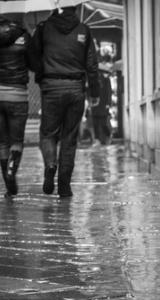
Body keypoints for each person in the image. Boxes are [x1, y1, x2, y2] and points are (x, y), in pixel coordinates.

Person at [30, 6, 100, 197]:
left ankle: (51, 164)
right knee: (69, 139)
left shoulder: (44, 28)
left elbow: (32, 55)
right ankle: (64, 186)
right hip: (76, 88)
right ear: (76, 7)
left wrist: (41, 74)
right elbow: (92, 64)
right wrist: (95, 91)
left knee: (47, 134)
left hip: (51, 87)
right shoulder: (83, 29)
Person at [0, 14, 33, 198]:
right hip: (18, 95)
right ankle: (12, 171)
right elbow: (33, 63)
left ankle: (8, 184)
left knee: (2, 142)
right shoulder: (23, 35)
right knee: (16, 141)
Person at [91, 69, 112, 145]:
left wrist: (108, 103)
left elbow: (109, 92)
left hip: (103, 105)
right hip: (95, 105)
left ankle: (108, 135)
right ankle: (97, 140)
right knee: (95, 123)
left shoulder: (106, 79)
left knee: (103, 123)